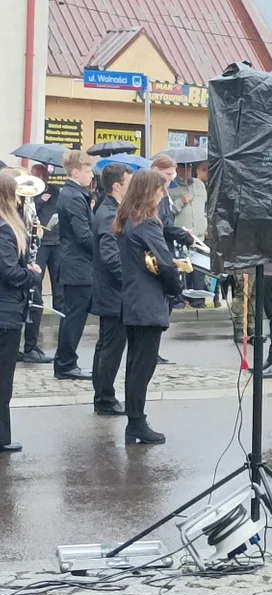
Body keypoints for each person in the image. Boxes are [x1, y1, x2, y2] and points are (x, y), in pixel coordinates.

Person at [116, 170, 182, 445]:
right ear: (148, 192)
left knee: (135, 364)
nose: (162, 194)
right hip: (146, 302)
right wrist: (175, 289)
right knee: (143, 366)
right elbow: (164, 262)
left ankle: (136, 420)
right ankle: (137, 422)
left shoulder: (128, 219)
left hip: (133, 300)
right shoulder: (146, 223)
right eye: (159, 190)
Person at [0, 174, 42, 453]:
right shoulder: (4, 229)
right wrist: (32, 274)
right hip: (5, 311)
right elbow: (9, 272)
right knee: (3, 379)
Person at [91, 162, 132, 417]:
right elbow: (110, 257)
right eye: (128, 183)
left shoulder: (112, 209)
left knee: (105, 346)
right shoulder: (109, 214)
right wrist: (128, 280)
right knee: (110, 349)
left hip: (111, 292)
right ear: (117, 186)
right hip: (114, 293)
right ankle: (105, 398)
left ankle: (103, 395)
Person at [54, 150, 96, 381]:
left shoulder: (76, 194)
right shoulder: (73, 196)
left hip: (77, 264)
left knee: (73, 316)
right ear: (75, 171)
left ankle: (65, 361)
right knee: (74, 317)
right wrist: (101, 253)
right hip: (77, 266)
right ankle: (66, 363)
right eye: (88, 171)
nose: (91, 175)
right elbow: (83, 235)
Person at [151, 155, 196, 361]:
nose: (171, 178)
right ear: (156, 170)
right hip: (160, 251)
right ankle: (150, 352)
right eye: (167, 174)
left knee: (164, 304)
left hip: (166, 247)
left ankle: (152, 351)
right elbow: (164, 225)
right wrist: (184, 236)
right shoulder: (155, 193)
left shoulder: (163, 191)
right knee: (161, 304)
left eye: (173, 173)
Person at [20, 163, 59, 363]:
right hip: (25, 258)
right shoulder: (27, 202)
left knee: (35, 301)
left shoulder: (51, 193)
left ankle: (29, 347)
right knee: (34, 301)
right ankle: (28, 348)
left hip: (42, 247)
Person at [169, 162, 208, 308]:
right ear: (177, 169)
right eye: (183, 167)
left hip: (199, 235)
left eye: (189, 167)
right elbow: (168, 210)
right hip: (181, 235)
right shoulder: (171, 186)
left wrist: (206, 225)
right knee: (182, 270)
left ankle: (198, 300)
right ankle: (180, 300)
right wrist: (181, 202)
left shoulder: (199, 185)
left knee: (199, 271)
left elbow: (204, 206)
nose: (187, 170)